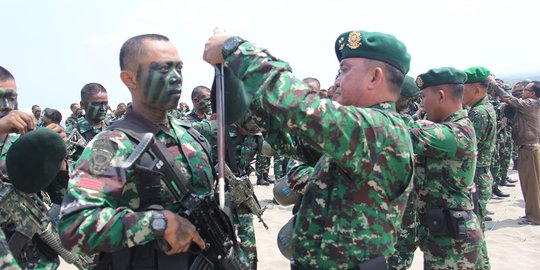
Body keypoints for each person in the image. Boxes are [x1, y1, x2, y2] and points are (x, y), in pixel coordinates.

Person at [203, 30, 414, 269]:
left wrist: (235, 49)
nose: (336, 81)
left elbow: (302, 108)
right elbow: (289, 137)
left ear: (375, 78)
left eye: (344, 71)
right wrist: (240, 88)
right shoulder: (358, 136)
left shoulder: (380, 130)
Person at [58, 34, 238, 269]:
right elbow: (74, 225)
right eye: (163, 69)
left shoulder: (192, 136)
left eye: (179, 69)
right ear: (129, 79)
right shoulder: (109, 145)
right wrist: (157, 223)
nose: (176, 78)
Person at [407, 67, 483, 268]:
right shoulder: (452, 127)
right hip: (443, 236)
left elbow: (397, 130)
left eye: (423, 97)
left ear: (441, 96)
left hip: (453, 244)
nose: (421, 103)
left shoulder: (454, 133)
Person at [0, 66, 67, 269]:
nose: (6, 106)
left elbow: (60, 197)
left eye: (12, 98)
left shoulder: (24, 143)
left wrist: (56, 155)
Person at [490, 79, 540, 225]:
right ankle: (532, 214)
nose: (523, 91)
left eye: (526, 90)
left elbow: (510, 100)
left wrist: (493, 84)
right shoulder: (532, 105)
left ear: (532, 93)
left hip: (529, 149)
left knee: (531, 185)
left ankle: (535, 217)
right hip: (527, 148)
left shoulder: (532, 104)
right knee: (528, 184)